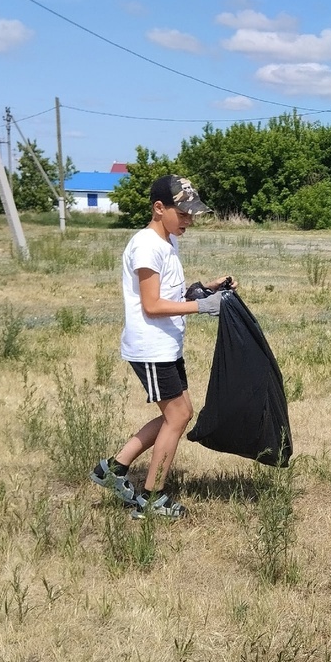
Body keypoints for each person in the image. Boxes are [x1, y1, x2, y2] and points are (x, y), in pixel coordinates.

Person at [90, 174, 234, 519]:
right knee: (178, 415)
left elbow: (169, 294)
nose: (188, 221)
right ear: (159, 208)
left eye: (192, 215)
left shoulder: (167, 241)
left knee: (178, 413)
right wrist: (202, 307)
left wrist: (203, 289)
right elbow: (152, 305)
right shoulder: (146, 246)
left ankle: (113, 470)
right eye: (182, 214)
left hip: (166, 345)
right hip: (151, 347)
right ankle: (151, 499)